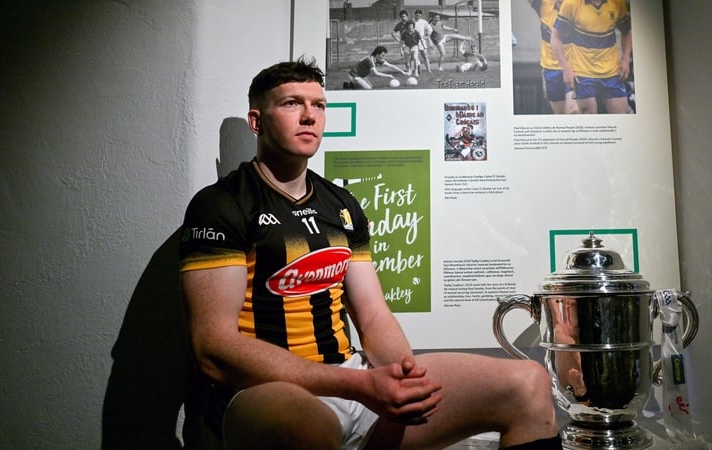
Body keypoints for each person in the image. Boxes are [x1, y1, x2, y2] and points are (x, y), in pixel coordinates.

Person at [179, 57, 562, 450]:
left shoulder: (340, 204)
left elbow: (373, 314)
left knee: (528, 383)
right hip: (269, 390)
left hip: (354, 378)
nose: (309, 117)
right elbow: (214, 346)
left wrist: (401, 374)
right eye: (292, 104)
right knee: (304, 426)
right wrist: (361, 385)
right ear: (257, 122)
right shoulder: (222, 204)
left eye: (319, 105)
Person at [550, 0, 632, 114]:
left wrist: (626, 59)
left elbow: (627, 31)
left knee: (622, 116)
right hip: (583, 74)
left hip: (612, 72)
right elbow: (555, 38)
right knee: (588, 119)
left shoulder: (617, 3)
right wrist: (566, 69)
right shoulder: (571, 4)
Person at [527, 0, 579, 114]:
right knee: (560, 116)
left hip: (574, 68)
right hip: (550, 69)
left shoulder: (578, 5)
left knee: (574, 110)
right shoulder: (543, 4)